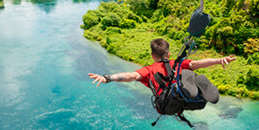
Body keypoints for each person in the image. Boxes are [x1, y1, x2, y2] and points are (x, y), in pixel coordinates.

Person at [88, 38, 235, 91]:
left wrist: (108, 78)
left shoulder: (149, 70)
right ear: (168, 54)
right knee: (191, 73)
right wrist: (219, 60)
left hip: (165, 105)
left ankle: (193, 88)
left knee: (187, 77)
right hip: (182, 97)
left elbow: (131, 76)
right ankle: (197, 90)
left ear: (152, 56)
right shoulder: (176, 63)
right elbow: (196, 63)